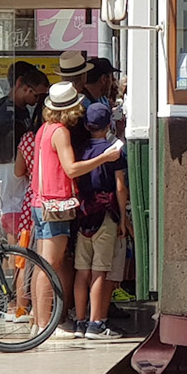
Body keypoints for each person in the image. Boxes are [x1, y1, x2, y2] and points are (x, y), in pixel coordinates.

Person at [27, 84, 125, 334]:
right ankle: (46, 325)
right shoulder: (60, 132)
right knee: (51, 264)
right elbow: (71, 169)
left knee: (42, 265)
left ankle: (39, 323)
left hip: (39, 202)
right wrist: (104, 158)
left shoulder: (43, 130)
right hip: (55, 204)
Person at [72, 104, 131, 339]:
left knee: (81, 271)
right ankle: (96, 323)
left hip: (84, 214)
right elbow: (120, 186)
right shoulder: (114, 151)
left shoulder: (79, 150)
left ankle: (79, 321)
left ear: (86, 125)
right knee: (99, 272)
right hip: (106, 215)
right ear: (109, 125)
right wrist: (123, 219)